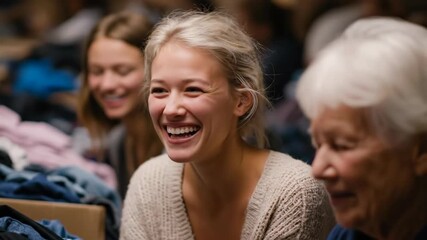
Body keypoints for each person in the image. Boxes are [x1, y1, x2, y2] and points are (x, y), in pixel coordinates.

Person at [120, 10, 334, 240]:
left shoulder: (294, 194)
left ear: (241, 101)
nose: (171, 109)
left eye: (193, 89)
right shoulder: (148, 184)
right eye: (159, 90)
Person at [296, 17, 427, 240]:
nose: (317, 170)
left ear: (421, 150)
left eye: (341, 145)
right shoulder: (347, 234)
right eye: (317, 145)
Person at [77, 11, 163, 198]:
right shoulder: (117, 143)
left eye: (122, 71)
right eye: (97, 71)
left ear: (154, 70)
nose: (107, 84)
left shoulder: (178, 146)